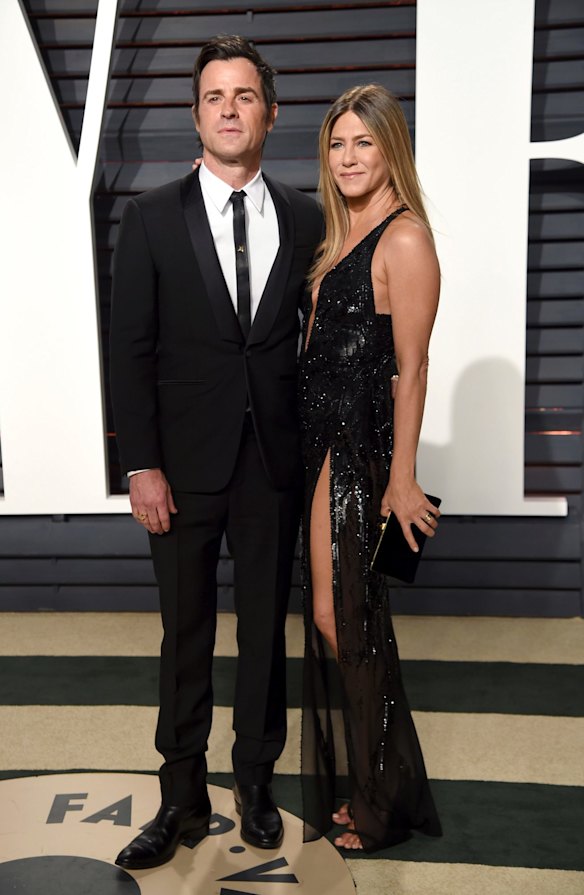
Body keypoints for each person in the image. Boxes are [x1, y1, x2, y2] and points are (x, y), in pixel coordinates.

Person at [109, 35, 322, 870]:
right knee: (184, 632)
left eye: (243, 96)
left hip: (274, 463)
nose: (228, 110)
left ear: (269, 112)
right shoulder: (151, 214)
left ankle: (256, 783)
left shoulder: (307, 217)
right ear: (195, 114)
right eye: (213, 97)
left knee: (266, 631)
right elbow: (131, 350)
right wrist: (141, 464)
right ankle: (180, 796)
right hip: (180, 469)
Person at [299, 84, 443, 852]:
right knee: (339, 620)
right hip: (319, 444)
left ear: (391, 149)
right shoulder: (338, 237)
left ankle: (380, 802)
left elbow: (412, 368)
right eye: (336, 143)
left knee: (346, 621)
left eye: (363, 141)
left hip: (359, 452)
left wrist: (402, 476)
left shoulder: (404, 238)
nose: (349, 156)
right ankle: (378, 786)